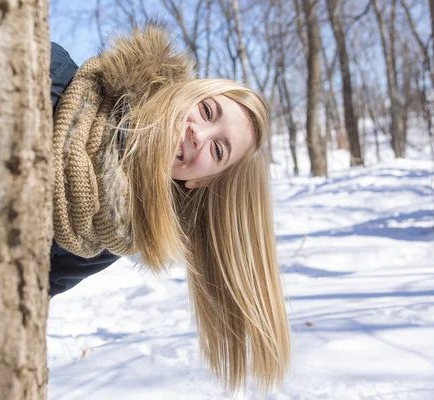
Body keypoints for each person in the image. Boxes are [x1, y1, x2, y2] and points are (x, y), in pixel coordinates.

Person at [49, 24, 290, 393]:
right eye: (208, 111)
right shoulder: (55, 76)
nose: (199, 134)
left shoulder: (111, 235)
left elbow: (24, 291)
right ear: (187, 92)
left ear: (200, 181)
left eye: (218, 150)